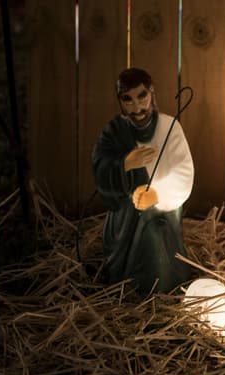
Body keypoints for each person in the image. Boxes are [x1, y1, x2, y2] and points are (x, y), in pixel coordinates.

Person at [92, 68, 194, 294]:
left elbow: (183, 170)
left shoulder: (170, 128)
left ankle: (157, 290)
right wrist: (125, 163)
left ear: (152, 93)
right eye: (127, 100)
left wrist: (158, 194)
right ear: (119, 101)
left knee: (153, 240)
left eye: (142, 97)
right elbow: (100, 168)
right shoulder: (114, 131)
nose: (137, 108)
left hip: (162, 213)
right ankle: (123, 287)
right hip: (124, 214)